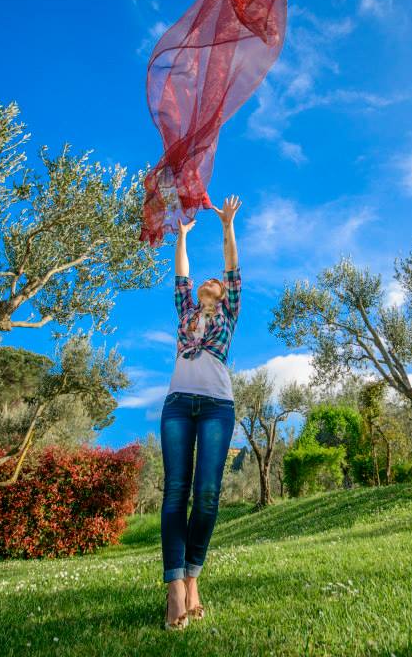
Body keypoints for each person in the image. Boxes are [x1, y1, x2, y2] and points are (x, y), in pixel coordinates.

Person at [160, 193, 242, 630]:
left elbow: (231, 266)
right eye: (204, 282)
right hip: (177, 405)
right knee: (176, 492)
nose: (210, 281)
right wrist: (182, 237)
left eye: (217, 281)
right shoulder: (185, 311)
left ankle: (194, 578)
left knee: (206, 495)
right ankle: (175, 589)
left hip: (216, 407)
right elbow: (181, 275)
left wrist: (226, 225)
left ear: (224, 293)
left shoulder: (229, 312)